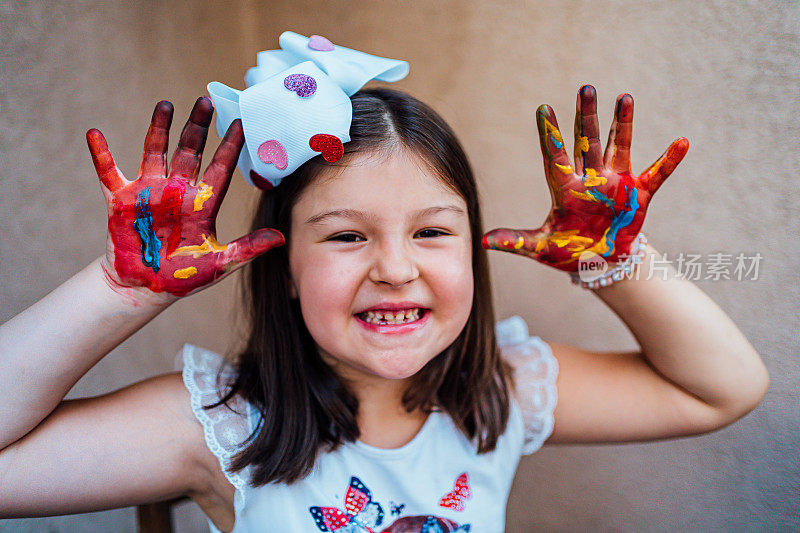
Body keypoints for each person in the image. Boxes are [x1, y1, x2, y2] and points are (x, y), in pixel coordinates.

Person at [0, 32, 769, 532]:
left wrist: (613, 262)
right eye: (345, 236)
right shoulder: (225, 428)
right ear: (284, 265)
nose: (396, 268)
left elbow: (722, 388)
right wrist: (123, 288)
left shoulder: (500, 397)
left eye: (432, 231)